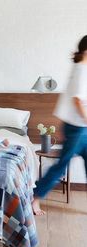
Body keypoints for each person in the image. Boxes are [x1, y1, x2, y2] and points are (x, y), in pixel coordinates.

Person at [32, 35, 87, 216]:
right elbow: (77, 100)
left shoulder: (82, 68)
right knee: (60, 166)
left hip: (80, 128)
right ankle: (35, 198)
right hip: (77, 129)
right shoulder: (80, 70)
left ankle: (36, 197)